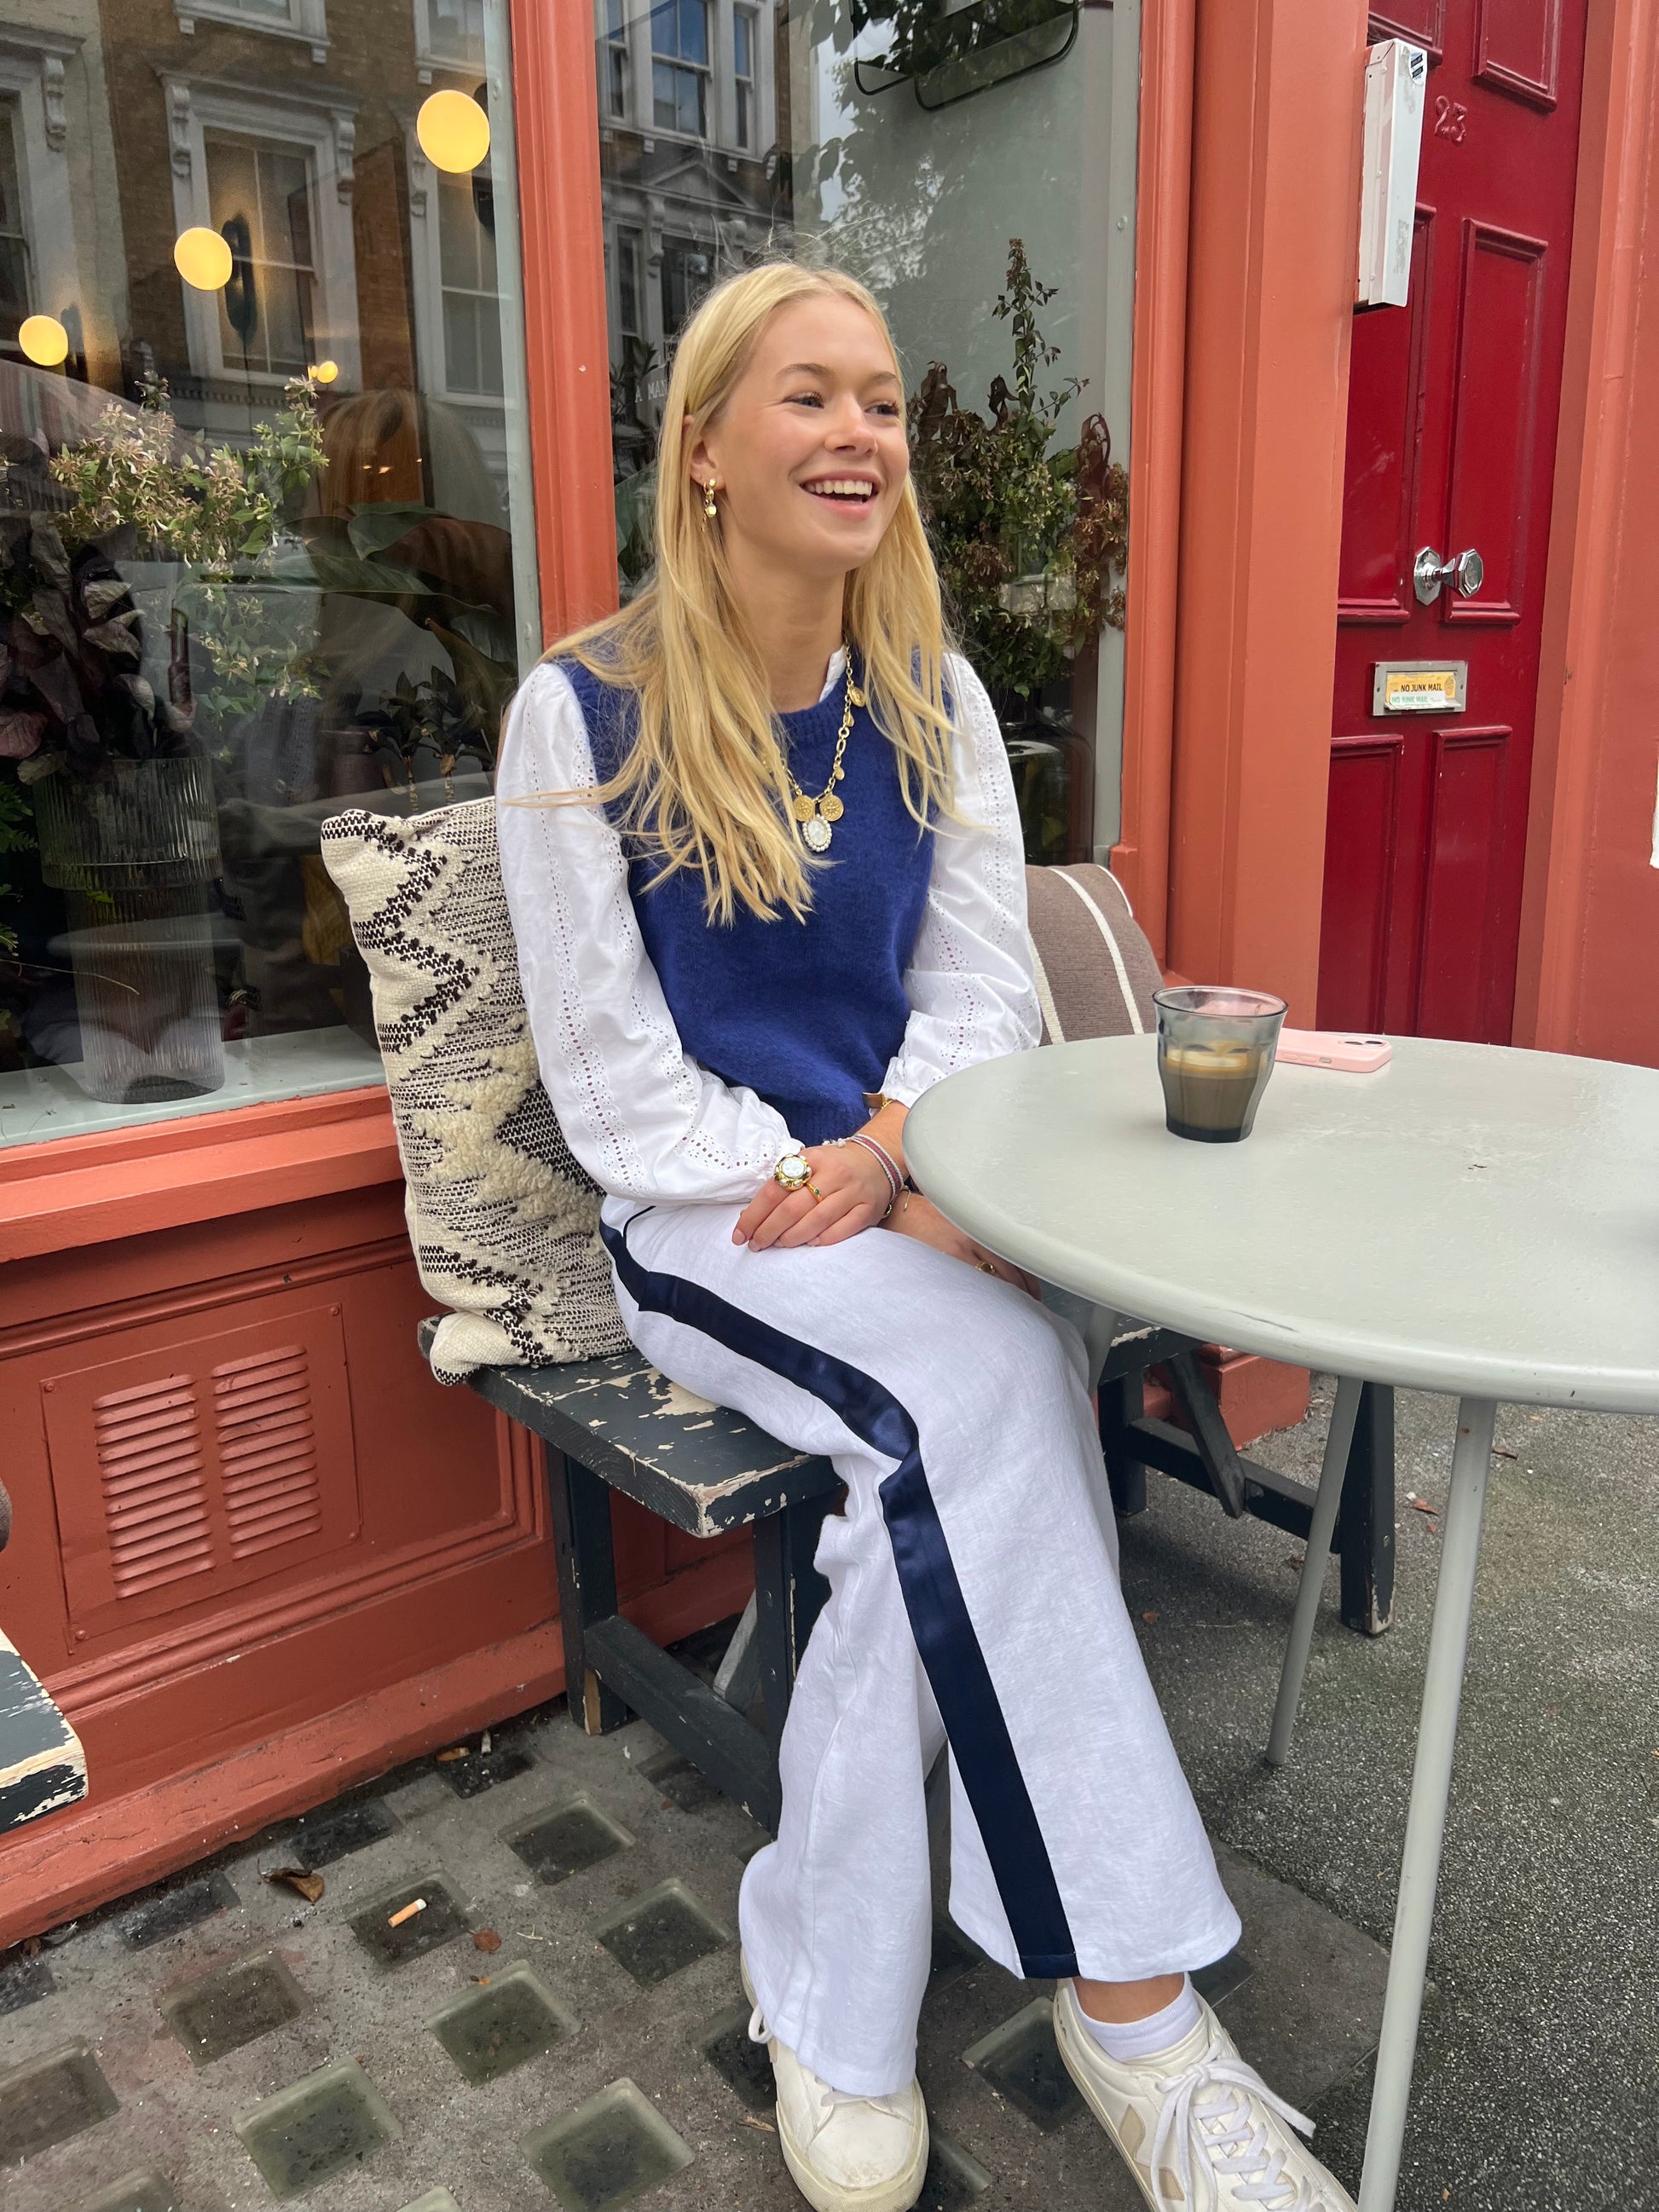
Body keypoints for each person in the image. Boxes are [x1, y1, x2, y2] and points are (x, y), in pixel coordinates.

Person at [496, 263, 1354, 2212]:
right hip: (703, 1209)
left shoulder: (930, 695)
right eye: (807, 397)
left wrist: (900, 1157)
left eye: (880, 399)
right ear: (703, 451)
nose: (857, 433)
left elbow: (973, 999)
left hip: (889, 1178)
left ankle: (834, 1978)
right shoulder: (584, 707)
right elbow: (612, 1083)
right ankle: (1140, 2019)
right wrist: (837, 1174)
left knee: (952, 1444)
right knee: (991, 1377)